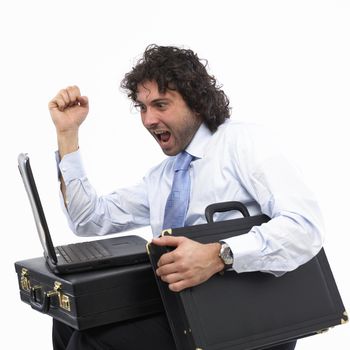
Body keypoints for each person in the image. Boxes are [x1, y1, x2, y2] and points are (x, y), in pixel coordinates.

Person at [48, 44, 324, 350]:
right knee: (70, 316)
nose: (149, 119)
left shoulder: (244, 144)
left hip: (247, 310)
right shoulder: (163, 176)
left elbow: (305, 227)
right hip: (187, 303)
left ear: (196, 102)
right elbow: (89, 219)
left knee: (93, 342)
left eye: (161, 105)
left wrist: (220, 255)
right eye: (142, 107)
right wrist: (67, 134)